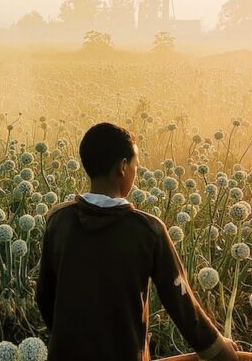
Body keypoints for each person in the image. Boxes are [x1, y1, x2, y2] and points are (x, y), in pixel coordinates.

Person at [36, 123, 239, 361]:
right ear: (122, 167)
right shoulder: (147, 231)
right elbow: (181, 302)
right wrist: (216, 349)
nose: (135, 171)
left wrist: (71, 338)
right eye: (135, 165)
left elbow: (44, 295)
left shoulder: (58, 221)